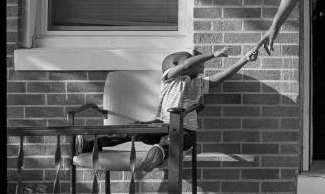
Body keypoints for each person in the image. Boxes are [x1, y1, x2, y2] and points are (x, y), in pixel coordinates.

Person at [76, 47, 257, 176]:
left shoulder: (198, 84)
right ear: (174, 65)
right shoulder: (170, 78)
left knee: (178, 141)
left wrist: (244, 59)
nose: (197, 62)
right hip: (161, 125)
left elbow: (222, 77)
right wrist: (213, 55)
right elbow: (185, 67)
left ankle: (157, 154)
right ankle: (92, 144)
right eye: (190, 59)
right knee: (134, 130)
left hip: (186, 131)